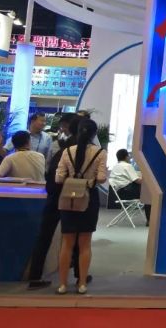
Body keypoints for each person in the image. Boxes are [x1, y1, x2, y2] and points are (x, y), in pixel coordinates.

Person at [28, 114, 82, 289]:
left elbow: (51, 176)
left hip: (53, 197)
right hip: (71, 198)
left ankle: (35, 276)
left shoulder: (60, 149)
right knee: (75, 237)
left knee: (44, 236)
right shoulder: (78, 152)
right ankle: (79, 275)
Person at [55, 119, 108, 295]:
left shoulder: (67, 151)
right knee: (85, 243)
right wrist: (88, 180)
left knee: (67, 243)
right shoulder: (100, 153)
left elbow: (58, 178)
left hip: (68, 198)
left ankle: (62, 284)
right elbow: (102, 178)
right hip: (89, 198)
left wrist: (72, 179)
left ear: (77, 132)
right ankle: (82, 283)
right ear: (94, 134)